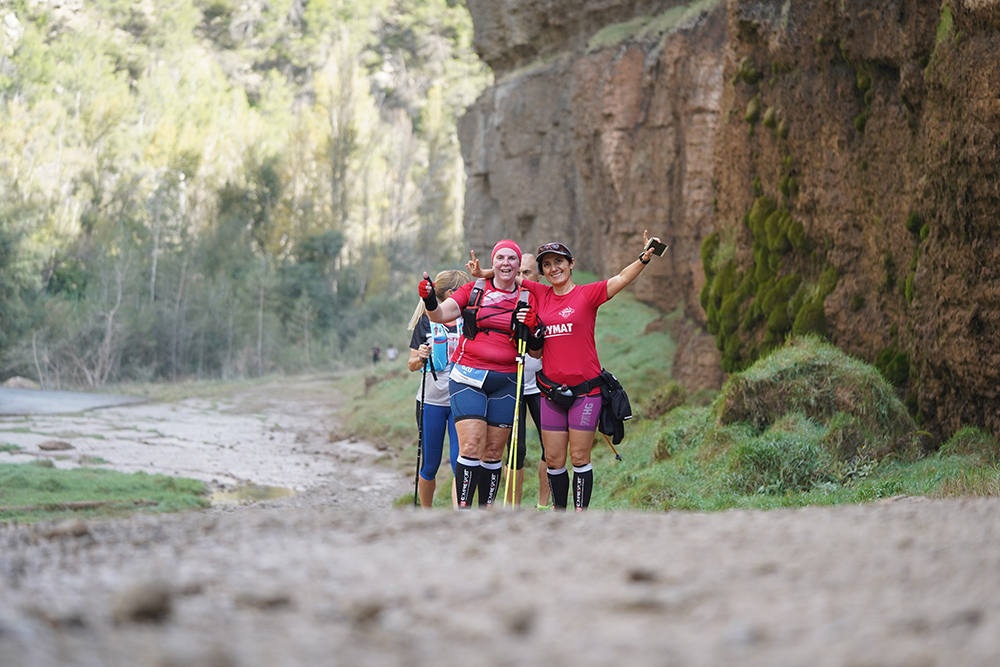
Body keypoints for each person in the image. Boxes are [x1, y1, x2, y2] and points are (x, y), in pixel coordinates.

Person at [474, 232, 664, 511]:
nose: (554, 268)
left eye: (559, 262)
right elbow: (510, 273)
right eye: (547, 264)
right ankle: (559, 515)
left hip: (586, 392)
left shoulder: (587, 294)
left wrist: (644, 258)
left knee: (578, 456)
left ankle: (580, 515)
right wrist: (483, 272)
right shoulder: (540, 293)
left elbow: (621, 279)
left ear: (571, 263)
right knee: (553, 458)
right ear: (543, 272)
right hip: (551, 392)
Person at [418, 240, 541, 509]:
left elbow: (537, 351)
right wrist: (428, 298)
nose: (506, 263)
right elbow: (439, 314)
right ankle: (463, 510)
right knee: (472, 446)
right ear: (492, 263)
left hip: (507, 380)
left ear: (519, 265)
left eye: (512, 258)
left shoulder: (528, 296)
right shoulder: (472, 290)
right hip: (468, 376)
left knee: (494, 452)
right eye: (500, 258)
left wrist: (534, 329)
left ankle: (486, 512)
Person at [408, 270, 471, 508]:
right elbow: (411, 364)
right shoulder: (426, 321)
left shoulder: (469, 319)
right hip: (431, 402)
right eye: (466, 290)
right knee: (430, 464)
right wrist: (421, 356)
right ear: (453, 293)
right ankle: (426, 514)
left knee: (460, 462)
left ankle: (458, 516)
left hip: (460, 400)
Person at [501, 252, 549, 509]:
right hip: (514, 381)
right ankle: (513, 509)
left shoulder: (545, 299)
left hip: (542, 384)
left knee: (549, 449)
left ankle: (542, 506)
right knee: (515, 451)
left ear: (538, 276)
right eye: (517, 272)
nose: (520, 278)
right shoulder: (504, 299)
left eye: (526, 273)